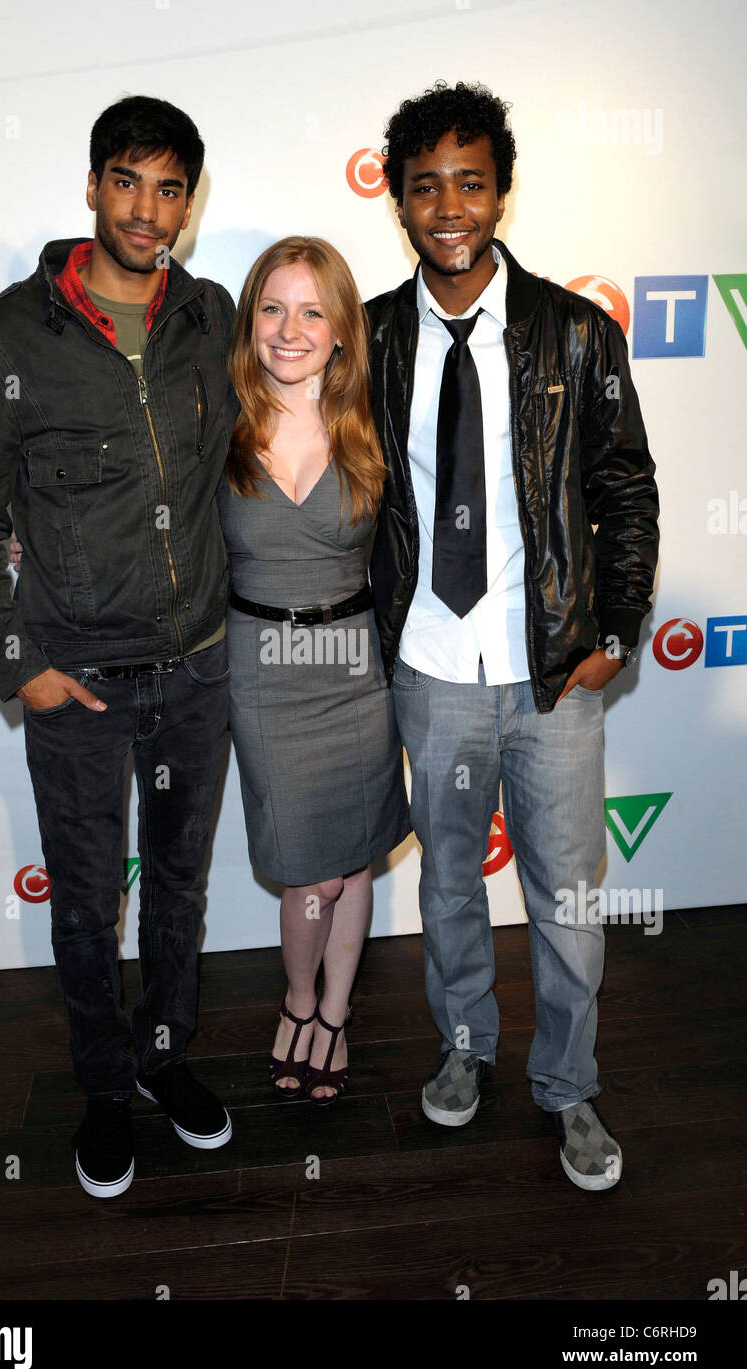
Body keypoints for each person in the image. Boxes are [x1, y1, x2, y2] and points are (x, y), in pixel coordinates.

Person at [0, 95, 238, 1199]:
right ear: (91, 186)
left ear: (188, 203)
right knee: (81, 897)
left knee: (177, 885)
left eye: (169, 189)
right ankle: (106, 1085)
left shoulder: (210, 319)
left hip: (198, 662)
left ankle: (166, 1059)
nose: (146, 209)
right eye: (127, 181)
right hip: (76, 678)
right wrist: (18, 663)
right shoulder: (3, 337)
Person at [365, 82, 660, 1188]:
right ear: (397, 198)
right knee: (446, 881)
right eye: (426, 184)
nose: (448, 206)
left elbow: (624, 490)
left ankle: (569, 1085)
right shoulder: (371, 337)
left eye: (469, 182)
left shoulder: (574, 333)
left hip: (552, 676)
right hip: (430, 670)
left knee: (569, 901)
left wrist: (618, 630)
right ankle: (461, 1045)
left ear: (500, 191)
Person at [218, 237, 411, 1103]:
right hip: (263, 669)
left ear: (341, 331)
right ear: (249, 320)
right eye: (271, 307)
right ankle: (297, 999)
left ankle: (333, 1013)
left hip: (353, 670)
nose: (289, 330)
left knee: (356, 861)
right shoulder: (212, 420)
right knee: (309, 871)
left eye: (311, 311)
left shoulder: (375, 420)